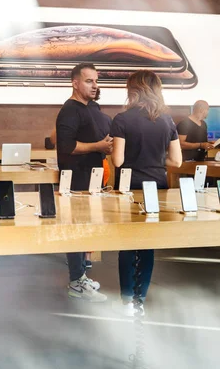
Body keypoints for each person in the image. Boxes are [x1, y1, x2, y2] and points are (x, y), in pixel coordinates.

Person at [110, 70, 182, 316]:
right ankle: (141, 298)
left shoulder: (122, 119)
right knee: (148, 244)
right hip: (157, 188)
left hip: (129, 189)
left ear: (133, 90)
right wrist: (154, 158)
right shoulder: (167, 121)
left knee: (128, 243)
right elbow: (177, 161)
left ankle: (127, 300)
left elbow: (118, 161)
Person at [56, 63, 113, 302]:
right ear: (75, 82)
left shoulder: (95, 108)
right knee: (75, 228)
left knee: (87, 227)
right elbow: (67, 147)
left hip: (94, 178)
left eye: (96, 81)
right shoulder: (69, 110)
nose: (94, 85)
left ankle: (81, 276)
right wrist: (98, 146)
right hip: (76, 177)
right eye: (89, 81)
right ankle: (76, 281)